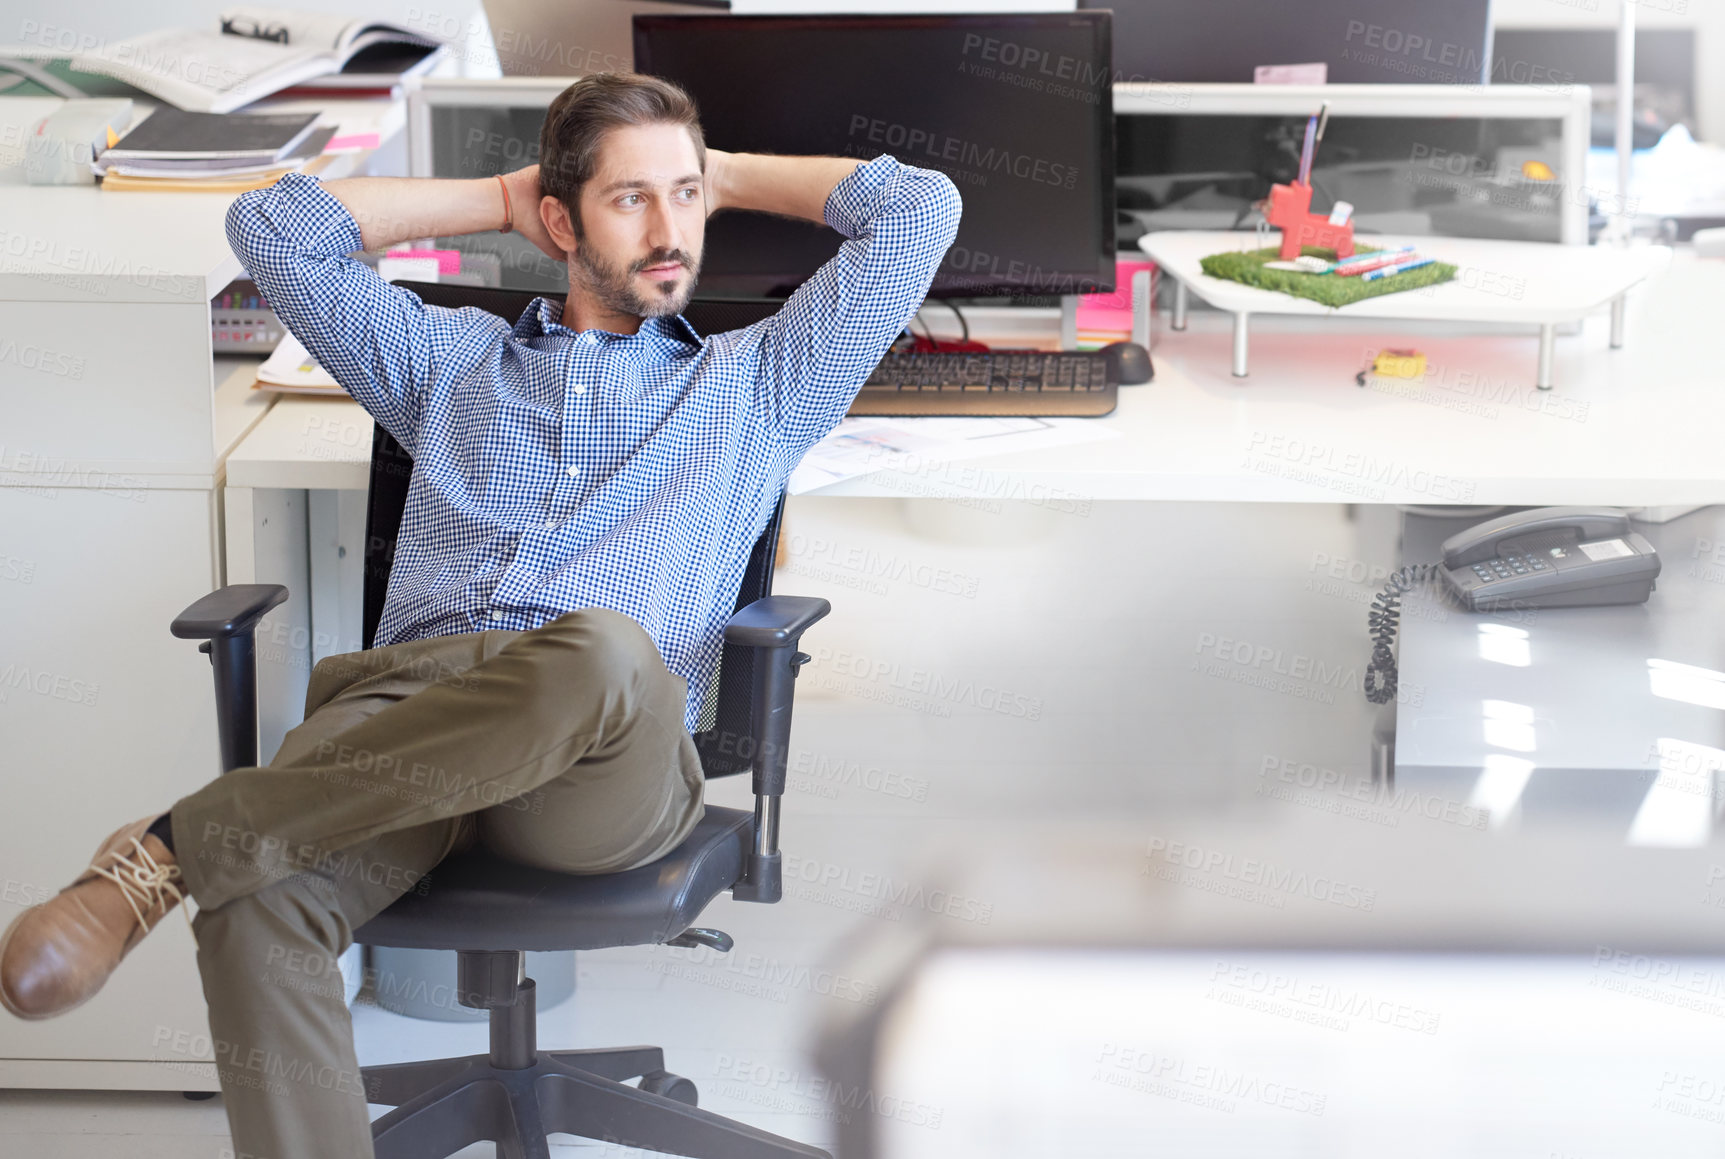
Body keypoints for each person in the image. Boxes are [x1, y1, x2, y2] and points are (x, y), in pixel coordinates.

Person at [0, 71, 960, 1157]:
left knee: (602, 649)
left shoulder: (759, 384)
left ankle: (174, 845)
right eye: (628, 200)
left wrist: (712, 168)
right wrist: (507, 194)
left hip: (599, 767)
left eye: (685, 198)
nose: (669, 230)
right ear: (560, 221)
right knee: (258, 903)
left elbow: (921, 208)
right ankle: (217, 859)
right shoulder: (447, 361)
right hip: (407, 728)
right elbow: (269, 223)